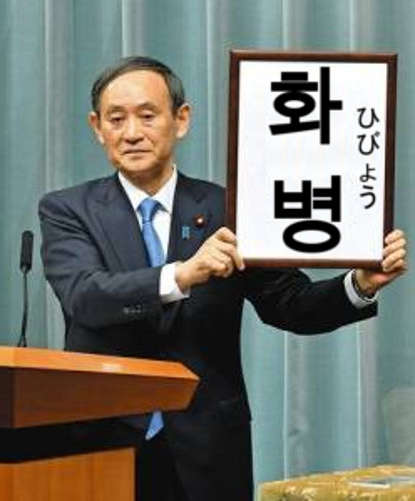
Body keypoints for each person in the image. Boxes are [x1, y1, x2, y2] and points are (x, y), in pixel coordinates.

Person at [38, 56, 407, 501]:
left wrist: (360, 284)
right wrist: (182, 274)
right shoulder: (67, 210)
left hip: (209, 445)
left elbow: (290, 304)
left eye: (148, 115)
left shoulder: (229, 208)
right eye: (116, 119)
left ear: (181, 119)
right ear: (97, 127)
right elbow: (85, 296)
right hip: (102, 442)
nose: (132, 132)